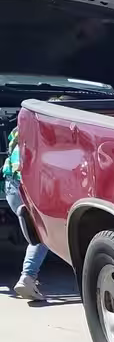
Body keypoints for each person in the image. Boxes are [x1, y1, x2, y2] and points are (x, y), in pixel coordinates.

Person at [4, 127, 47, 300]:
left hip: (11, 187)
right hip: (28, 186)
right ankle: (28, 277)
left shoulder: (20, 129)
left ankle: (29, 277)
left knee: (35, 234)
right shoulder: (50, 130)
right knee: (42, 235)